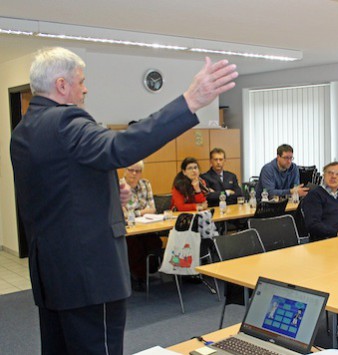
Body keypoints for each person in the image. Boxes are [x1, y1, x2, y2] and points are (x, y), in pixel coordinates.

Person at [10, 47, 237, 354]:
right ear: (62, 85)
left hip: (53, 274)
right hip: (90, 276)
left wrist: (102, 192)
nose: (86, 88)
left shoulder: (24, 130)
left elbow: (53, 192)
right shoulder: (66, 122)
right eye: (81, 81)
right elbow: (121, 147)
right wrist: (190, 102)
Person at [119, 161, 161, 291]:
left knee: (156, 243)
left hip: (146, 226)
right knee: (134, 246)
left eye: (137, 171)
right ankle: (138, 276)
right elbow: (123, 213)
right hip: (128, 230)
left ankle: (146, 272)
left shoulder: (145, 184)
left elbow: (152, 209)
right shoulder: (119, 186)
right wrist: (142, 212)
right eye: (131, 170)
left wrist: (135, 213)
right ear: (125, 170)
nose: (134, 174)